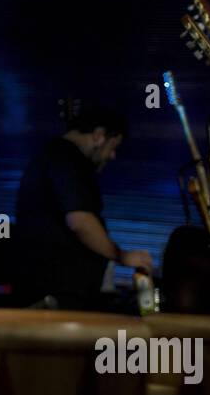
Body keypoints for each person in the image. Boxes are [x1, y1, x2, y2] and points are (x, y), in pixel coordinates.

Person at [14, 103, 153, 310]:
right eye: (113, 146)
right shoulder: (68, 160)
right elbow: (81, 223)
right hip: (59, 295)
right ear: (98, 135)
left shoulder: (52, 157)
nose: (112, 156)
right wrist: (121, 256)